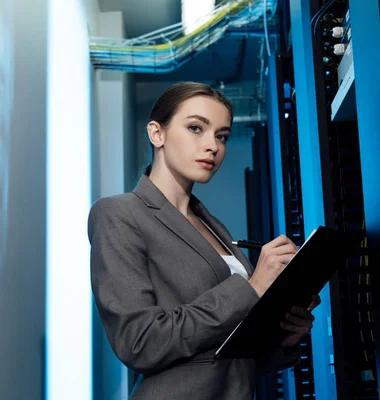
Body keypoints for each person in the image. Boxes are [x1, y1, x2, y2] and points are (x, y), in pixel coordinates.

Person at [88, 82, 321, 399]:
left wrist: (280, 337)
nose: (212, 145)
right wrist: (252, 287)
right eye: (196, 128)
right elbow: (139, 342)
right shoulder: (118, 214)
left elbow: (221, 353)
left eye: (221, 136)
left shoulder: (214, 227)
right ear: (157, 134)